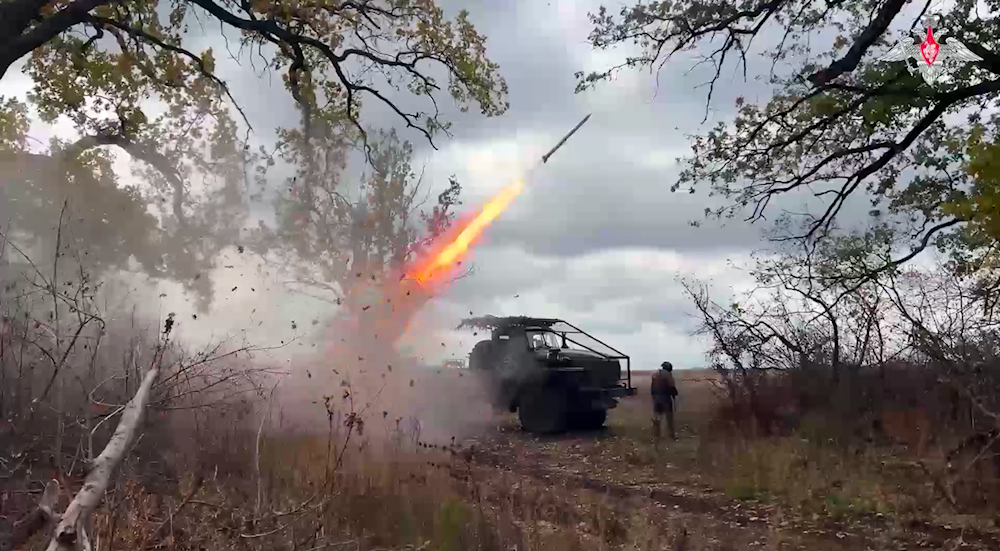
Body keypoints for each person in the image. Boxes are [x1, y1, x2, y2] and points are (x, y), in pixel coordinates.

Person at [651, 361, 678, 441]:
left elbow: (652, 388)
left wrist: (654, 397)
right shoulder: (668, 375)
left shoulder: (655, 375)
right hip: (665, 398)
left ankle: (656, 435)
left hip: (656, 398)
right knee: (669, 418)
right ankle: (671, 435)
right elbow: (672, 386)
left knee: (657, 417)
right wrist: (674, 394)